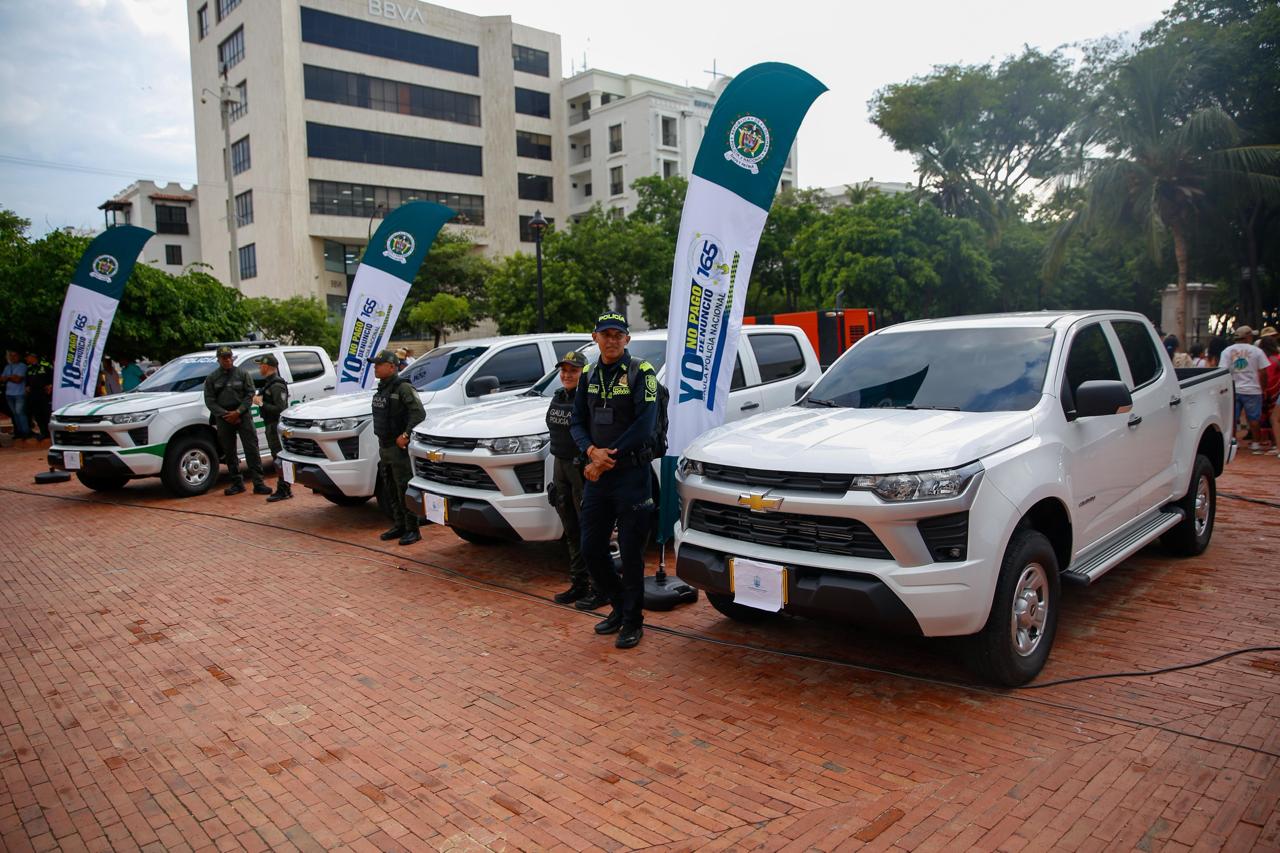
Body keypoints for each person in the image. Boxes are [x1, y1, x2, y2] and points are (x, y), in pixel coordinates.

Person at [570, 312, 659, 650]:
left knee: (633, 553)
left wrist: (609, 457)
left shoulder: (642, 372)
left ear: (627, 339)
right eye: (605, 334)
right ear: (595, 338)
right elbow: (577, 421)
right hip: (598, 473)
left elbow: (644, 425)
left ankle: (633, 621)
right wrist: (592, 451)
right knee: (591, 548)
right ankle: (620, 607)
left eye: (617, 335)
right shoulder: (588, 374)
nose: (611, 340)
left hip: (631, 475)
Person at [547, 350, 608, 609]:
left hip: (582, 469)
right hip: (560, 466)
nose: (567, 375)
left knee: (590, 531)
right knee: (571, 529)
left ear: (584, 373)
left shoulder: (592, 399)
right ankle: (579, 583)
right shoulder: (559, 397)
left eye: (572, 370)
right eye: (564, 370)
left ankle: (601, 588)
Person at [369, 349, 425, 545]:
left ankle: (413, 529)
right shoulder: (382, 389)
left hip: (398, 447)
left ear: (391, 366)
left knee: (403, 487)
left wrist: (406, 435)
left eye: (378, 364)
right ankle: (399, 524)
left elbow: (418, 414)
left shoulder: (403, 388)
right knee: (390, 487)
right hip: (384, 446)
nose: (374, 367)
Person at [203, 345, 270, 496]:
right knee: (229, 452)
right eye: (224, 358)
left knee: (252, 448)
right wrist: (226, 414)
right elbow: (209, 400)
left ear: (232, 357)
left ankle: (258, 483)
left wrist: (238, 412)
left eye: (229, 357)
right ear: (218, 359)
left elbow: (250, 394)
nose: (227, 360)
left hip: (243, 415)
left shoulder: (242, 374)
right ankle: (236, 483)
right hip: (224, 417)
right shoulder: (212, 378)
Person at [1219, 326, 1270, 453]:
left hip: (1233, 389)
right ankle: (1256, 444)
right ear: (1248, 337)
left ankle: (1232, 441)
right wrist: (1263, 388)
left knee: (1232, 418)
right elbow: (1263, 371)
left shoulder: (1227, 351)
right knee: (1254, 418)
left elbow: (1222, 371)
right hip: (1253, 389)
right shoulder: (1257, 351)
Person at [254, 354, 292, 502]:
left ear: (266, 366)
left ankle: (284, 489)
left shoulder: (276, 385)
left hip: (276, 425)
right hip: (271, 424)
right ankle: (285, 488)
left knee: (280, 457)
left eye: (260, 365)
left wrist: (261, 403)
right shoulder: (268, 383)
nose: (259, 368)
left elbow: (280, 408)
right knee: (279, 457)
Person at [23, 354, 51, 442]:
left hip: (44, 393)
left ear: (33, 356)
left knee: (46, 413)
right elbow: (27, 380)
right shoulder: (29, 368)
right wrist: (27, 387)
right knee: (37, 414)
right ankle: (43, 432)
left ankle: (50, 433)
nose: (26, 358)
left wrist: (50, 385)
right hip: (33, 394)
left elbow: (53, 376)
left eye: (27, 356)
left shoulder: (45, 365)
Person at [2, 351, 29, 439]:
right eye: (11, 356)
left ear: (19, 356)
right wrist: (12, 377)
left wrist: (8, 377)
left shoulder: (22, 366)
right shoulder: (7, 366)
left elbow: (18, 380)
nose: (13, 357)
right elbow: (1, 379)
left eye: (15, 355)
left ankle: (26, 432)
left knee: (20, 413)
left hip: (19, 393)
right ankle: (19, 432)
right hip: (9, 394)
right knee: (14, 414)